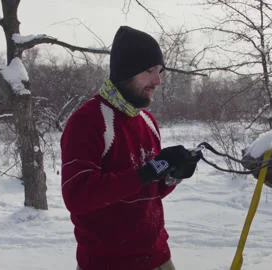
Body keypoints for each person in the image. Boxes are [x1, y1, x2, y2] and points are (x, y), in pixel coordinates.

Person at [61, 26, 201, 270]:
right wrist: (148, 171)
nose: (157, 81)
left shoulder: (147, 122)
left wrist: (172, 176)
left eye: (159, 71)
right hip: (108, 263)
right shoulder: (89, 121)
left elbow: (147, 192)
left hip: (158, 258)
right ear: (126, 72)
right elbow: (78, 196)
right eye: (149, 71)